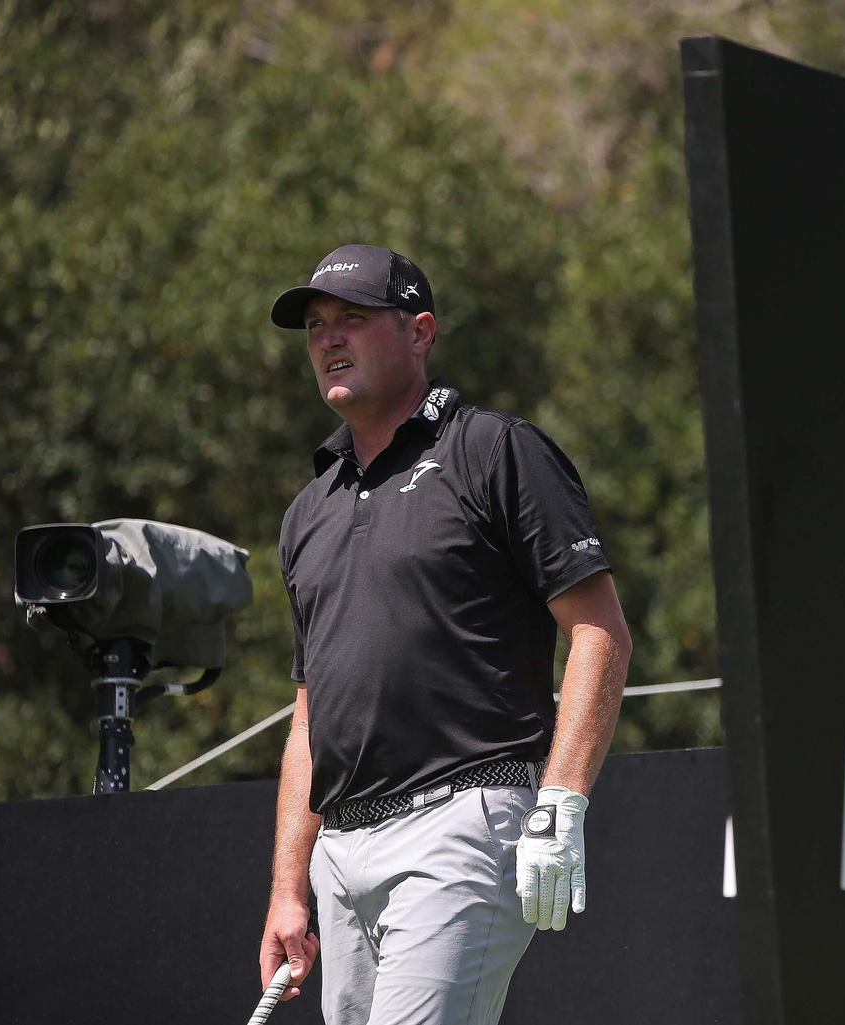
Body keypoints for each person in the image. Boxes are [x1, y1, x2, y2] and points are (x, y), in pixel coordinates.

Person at [257, 244, 631, 1025]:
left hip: (460, 826)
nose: (328, 338)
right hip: (341, 855)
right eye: (317, 324)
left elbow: (600, 633)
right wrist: (291, 885)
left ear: (419, 332)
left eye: (352, 320)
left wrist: (559, 805)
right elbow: (310, 712)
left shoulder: (494, 450)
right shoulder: (307, 511)